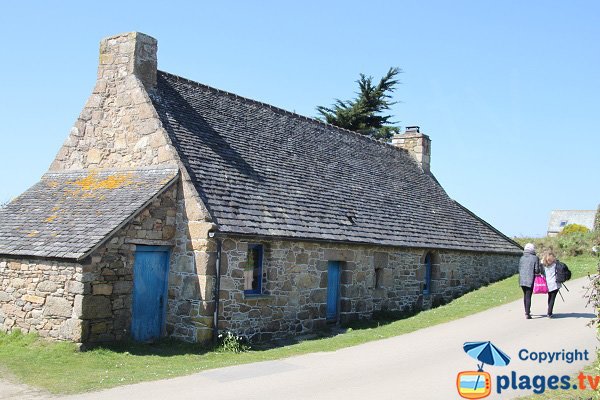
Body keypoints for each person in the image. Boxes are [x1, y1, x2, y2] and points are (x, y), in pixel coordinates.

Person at [519, 243, 540, 319]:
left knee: (525, 295)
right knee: (528, 296)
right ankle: (527, 313)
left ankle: (526, 311)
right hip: (530, 279)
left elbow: (520, 268)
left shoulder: (522, 258)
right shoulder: (535, 258)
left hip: (522, 279)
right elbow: (537, 270)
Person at [541, 251, 561, 318]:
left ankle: (549, 311)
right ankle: (549, 313)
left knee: (549, 297)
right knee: (552, 298)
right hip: (555, 283)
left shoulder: (543, 265)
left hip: (547, 283)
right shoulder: (555, 264)